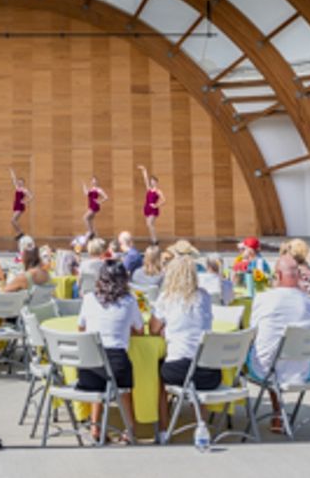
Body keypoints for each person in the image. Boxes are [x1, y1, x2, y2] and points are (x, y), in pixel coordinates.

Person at [247, 255, 310, 432]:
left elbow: (253, 331)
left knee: (266, 351)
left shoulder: (264, 299)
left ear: (278, 276)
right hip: (302, 370)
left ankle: (275, 411)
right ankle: (278, 413)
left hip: (267, 369)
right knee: (276, 352)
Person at [76, 261, 142, 444]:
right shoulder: (129, 301)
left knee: (99, 385)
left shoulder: (89, 299)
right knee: (124, 393)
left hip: (89, 368)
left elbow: (81, 328)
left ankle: (95, 427)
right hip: (117, 364)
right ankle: (130, 430)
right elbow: (140, 330)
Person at [148, 255, 215, 434]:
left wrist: (167, 330)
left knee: (159, 375)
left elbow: (153, 329)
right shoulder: (205, 297)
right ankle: (201, 424)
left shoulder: (166, 299)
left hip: (180, 368)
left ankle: (164, 428)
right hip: (209, 370)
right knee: (194, 374)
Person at [138, 164, 165, 246]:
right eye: (151, 181)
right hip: (147, 208)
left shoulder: (158, 191)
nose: (152, 182)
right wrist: (144, 170)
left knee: (150, 223)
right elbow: (145, 179)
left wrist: (156, 205)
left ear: (156, 182)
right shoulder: (149, 189)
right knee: (149, 224)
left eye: (153, 181)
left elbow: (164, 200)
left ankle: (155, 240)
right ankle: (153, 239)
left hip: (153, 209)